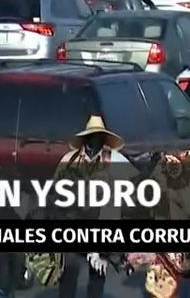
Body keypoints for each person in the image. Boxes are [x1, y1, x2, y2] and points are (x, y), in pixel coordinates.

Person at [54, 116, 130, 298]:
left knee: (97, 274)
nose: (94, 142)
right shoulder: (69, 160)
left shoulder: (114, 160)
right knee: (68, 274)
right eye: (92, 137)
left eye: (98, 138)